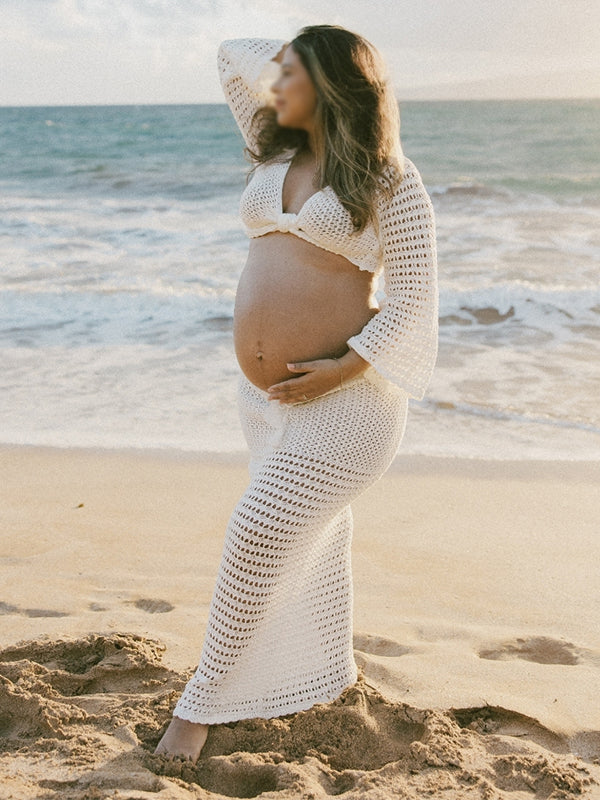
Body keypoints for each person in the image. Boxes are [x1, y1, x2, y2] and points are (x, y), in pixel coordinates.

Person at [155, 24, 438, 762]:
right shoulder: (274, 149)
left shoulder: (388, 179)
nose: (272, 86)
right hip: (267, 405)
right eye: (276, 74)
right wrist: (293, 56)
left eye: (290, 75)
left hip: (348, 408)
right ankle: (320, 675)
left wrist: (343, 367)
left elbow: (413, 299)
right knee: (300, 543)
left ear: (332, 83)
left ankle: (199, 708)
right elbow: (228, 56)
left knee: (257, 534)